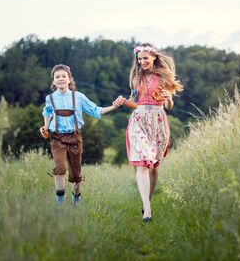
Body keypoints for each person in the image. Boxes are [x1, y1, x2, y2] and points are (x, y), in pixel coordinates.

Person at [114, 43, 183, 222]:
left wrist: (168, 100)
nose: (142, 61)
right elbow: (135, 102)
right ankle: (148, 209)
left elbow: (168, 105)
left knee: (153, 165)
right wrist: (123, 102)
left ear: (153, 57)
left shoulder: (162, 78)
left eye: (146, 58)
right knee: (142, 163)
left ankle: (147, 201)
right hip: (139, 120)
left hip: (158, 120)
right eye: (140, 59)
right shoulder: (135, 78)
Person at [40, 64, 119, 206]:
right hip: (57, 139)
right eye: (57, 77)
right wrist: (46, 126)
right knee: (59, 169)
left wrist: (113, 106)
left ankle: (76, 197)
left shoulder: (79, 97)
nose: (61, 79)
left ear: (69, 79)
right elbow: (47, 112)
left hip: (75, 138)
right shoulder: (50, 98)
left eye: (64, 76)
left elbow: (96, 110)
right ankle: (60, 204)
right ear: (53, 81)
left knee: (76, 175)